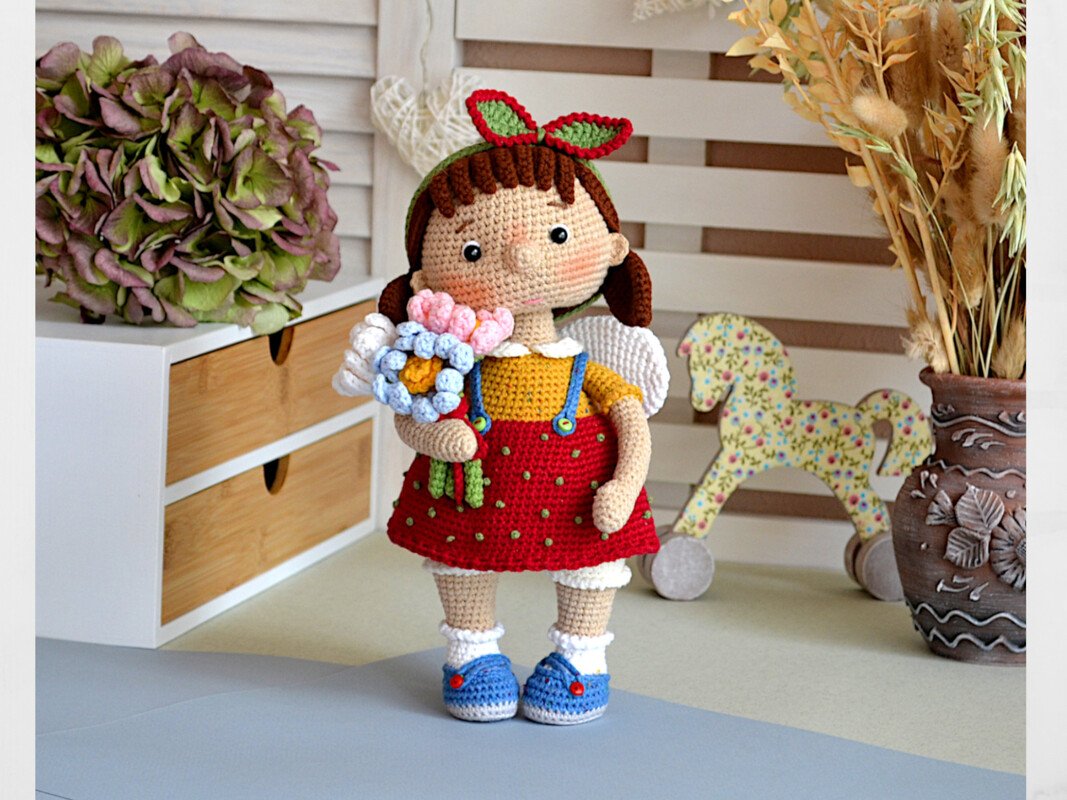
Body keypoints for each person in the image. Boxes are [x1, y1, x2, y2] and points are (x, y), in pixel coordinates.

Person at [378, 90, 659, 724]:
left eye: (559, 235)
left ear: (611, 249)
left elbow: (629, 422)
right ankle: (471, 653)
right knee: (462, 561)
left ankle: (582, 659)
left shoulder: (590, 368)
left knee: (590, 564)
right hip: (472, 490)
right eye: (472, 251)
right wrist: (436, 436)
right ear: (424, 280)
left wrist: (624, 483)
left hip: (578, 495)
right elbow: (410, 410)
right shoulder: (447, 364)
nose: (523, 257)